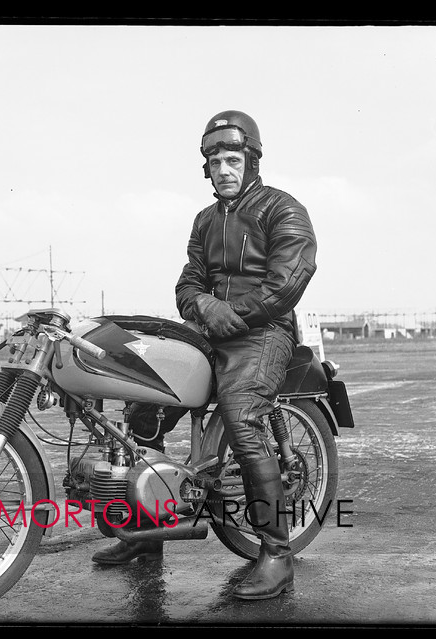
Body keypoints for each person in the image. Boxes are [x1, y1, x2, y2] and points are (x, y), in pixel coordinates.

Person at [91, 110, 318, 601]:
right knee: (144, 405)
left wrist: (230, 314)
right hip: (209, 329)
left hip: (263, 334)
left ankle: (277, 553)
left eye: (232, 159)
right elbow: (188, 282)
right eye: (214, 162)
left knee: (241, 417)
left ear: (252, 160)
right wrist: (207, 309)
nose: (223, 170)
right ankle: (147, 533)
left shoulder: (284, 210)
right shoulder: (205, 220)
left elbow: (288, 282)